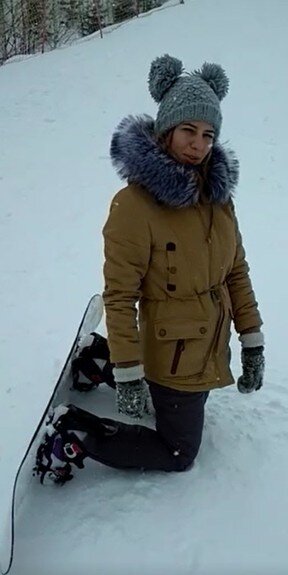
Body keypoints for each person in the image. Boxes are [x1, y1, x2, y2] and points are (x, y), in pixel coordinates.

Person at [36, 54, 264, 484]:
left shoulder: (217, 199)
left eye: (208, 134)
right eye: (188, 131)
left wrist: (252, 340)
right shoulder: (134, 207)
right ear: (165, 131)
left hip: (205, 343)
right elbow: (120, 298)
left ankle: (95, 361)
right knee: (179, 453)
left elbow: (236, 271)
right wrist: (128, 377)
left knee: (184, 411)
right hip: (172, 353)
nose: (198, 145)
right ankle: (73, 433)